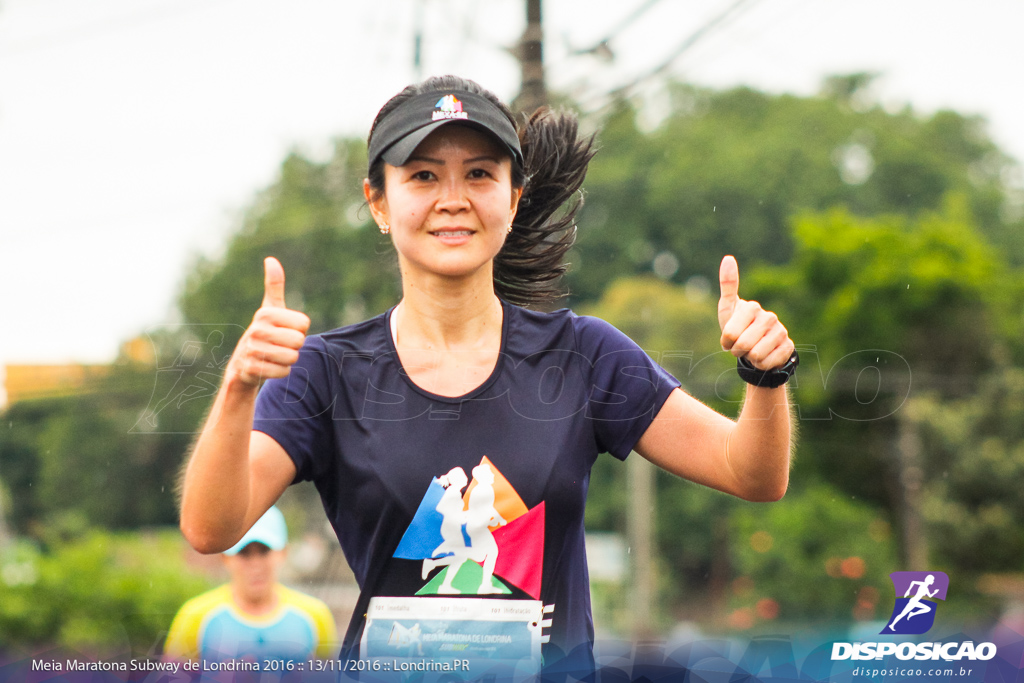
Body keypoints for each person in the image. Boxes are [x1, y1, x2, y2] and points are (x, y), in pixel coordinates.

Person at [178, 75, 796, 677]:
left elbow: (751, 474)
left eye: (479, 173)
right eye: (423, 176)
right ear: (378, 202)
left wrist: (765, 378)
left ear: (514, 196)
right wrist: (238, 388)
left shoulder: (584, 356)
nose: (453, 198)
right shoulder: (326, 372)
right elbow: (212, 528)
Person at [164, 506, 338, 663]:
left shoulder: (314, 616)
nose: (256, 565)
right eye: (244, 553)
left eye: (264, 551)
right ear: (225, 558)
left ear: (283, 553)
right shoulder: (197, 616)